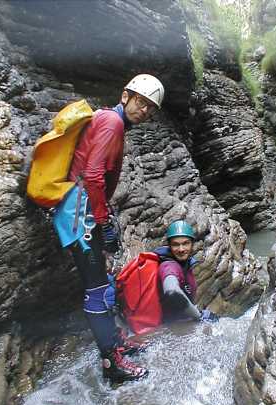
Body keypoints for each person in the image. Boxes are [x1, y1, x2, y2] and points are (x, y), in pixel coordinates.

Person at [54, 74, 165, 383]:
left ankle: (115, 344)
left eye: (150, 108)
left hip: (83, 210)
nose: (144, 110)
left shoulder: (111, 121)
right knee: (98, 291)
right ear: (125, 95)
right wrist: (103, 223)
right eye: (141, 102)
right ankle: (110, 363)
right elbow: (92, 174)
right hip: (79, 214)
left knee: (102, 282)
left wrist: (103, 216)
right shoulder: (112, 123)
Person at [154, 220, 219, 323]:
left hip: (180, 323)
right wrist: (199, 316)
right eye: (175, 244)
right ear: (169, 246)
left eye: (185, 243)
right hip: (173, 329)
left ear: (192, 244)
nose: (181, 249)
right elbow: (172, 291)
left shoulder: (185, 264)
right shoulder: (169, 266)